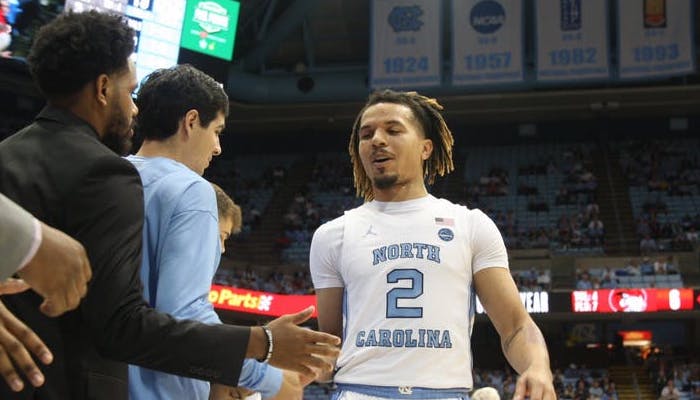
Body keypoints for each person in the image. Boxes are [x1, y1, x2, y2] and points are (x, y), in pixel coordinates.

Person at [0, 11, 339, 399]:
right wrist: (267, 360)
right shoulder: (167, 186)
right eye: (217, 132)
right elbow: (164, 316)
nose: (218, 147)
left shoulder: (12, 155)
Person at [310, 90, 555, 400]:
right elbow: (330, 344)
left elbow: (516, 327)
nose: (377, 140)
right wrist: (287, 359)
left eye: (393, 130)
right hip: (360, 391)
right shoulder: (333, 235)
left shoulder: (471, 226)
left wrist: (537, 367)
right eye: (366, 134)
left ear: (426, 148)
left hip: (445, 392)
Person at [126, 65, 304, 400]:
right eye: (217, 131)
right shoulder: (191, 190)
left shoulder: (107, 175)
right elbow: (185, 317)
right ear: (191, 122)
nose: (218, 147)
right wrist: (270, 377)